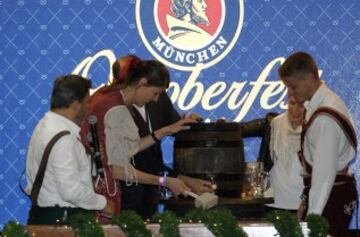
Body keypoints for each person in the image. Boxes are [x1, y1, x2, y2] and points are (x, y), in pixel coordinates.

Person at [80, 59, 192, 222]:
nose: (155, 100)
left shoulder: (113, 99)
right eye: (156, 93)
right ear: (142, 83)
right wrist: (164, 181)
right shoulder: (116, 109)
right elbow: (117, 170)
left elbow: (129, 148)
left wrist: (164, 131)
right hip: (103, 198)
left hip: (98, 193)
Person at [111, 55, 213, 218]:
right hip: (123, 192)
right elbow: (126, 159)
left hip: (151, 190)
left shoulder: (158, 98)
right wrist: (169, 180)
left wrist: (190, 124)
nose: (156, 98)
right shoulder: (113, 108)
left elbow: (175, 129)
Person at [279, 51, 358, 236]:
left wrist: (312, 222)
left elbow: (323, 176)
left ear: (310, 78)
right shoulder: (326, 103)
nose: (289, 92)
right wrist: (305, 201)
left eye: (292, 86)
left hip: (331, 195)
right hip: (333, 193)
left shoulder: (324, 117)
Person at [25, 75, 114, 224]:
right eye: (87, 102)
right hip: (63, 219)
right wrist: (104, 204)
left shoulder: (44, 125)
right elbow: (71, 191)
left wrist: (91, 161)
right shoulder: (64, 138)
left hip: (47, 215)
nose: (89, 108)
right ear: (75, 105)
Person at [267, 93, 304, 211]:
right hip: (274, 200)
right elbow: (245, 128)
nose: (296, 109)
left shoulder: (315, 125)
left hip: (302, 202)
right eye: (292, 103)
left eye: (301, 105)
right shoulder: (274, 123)